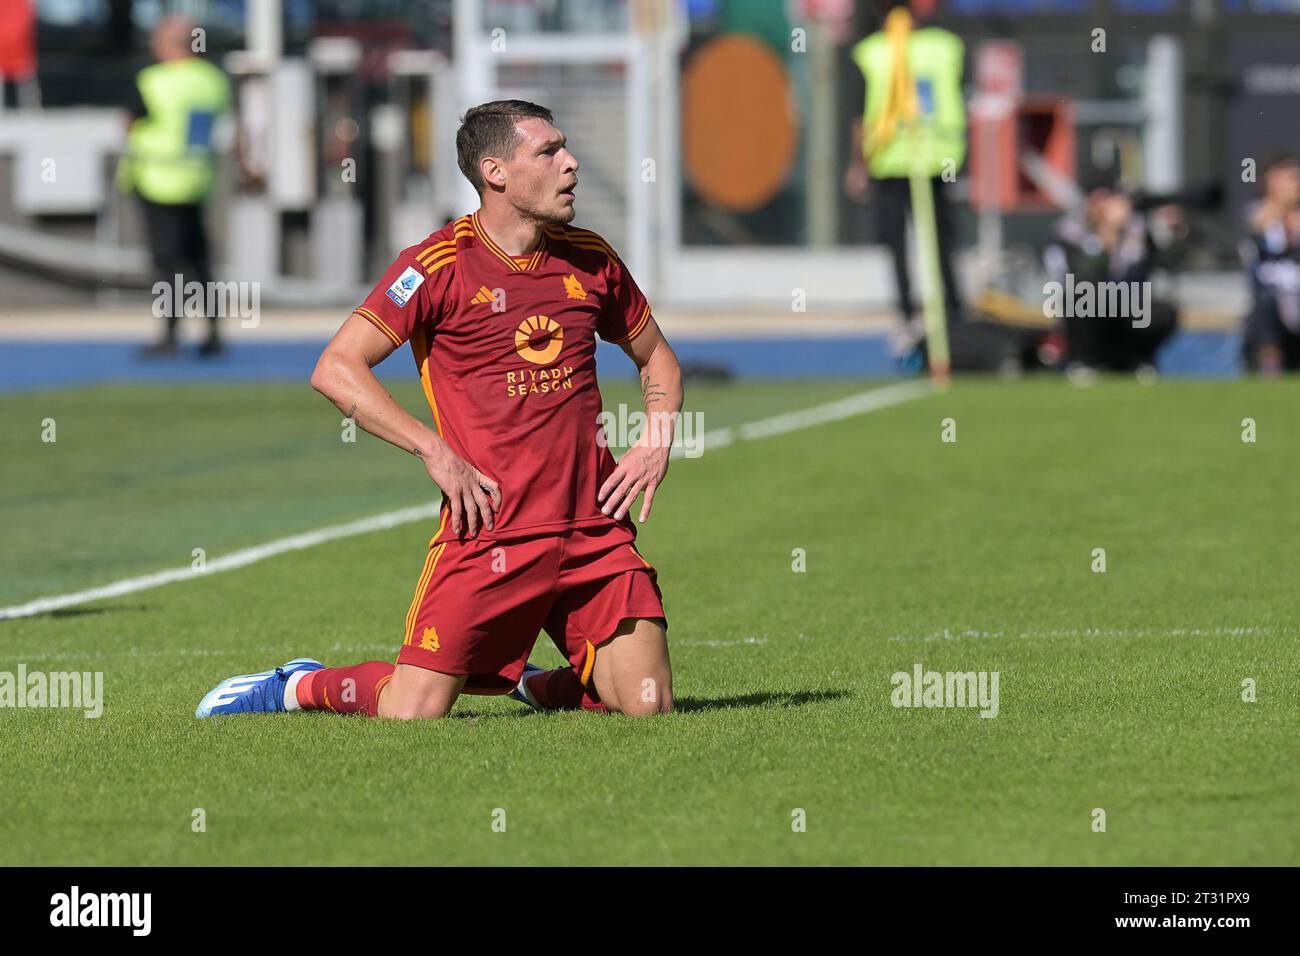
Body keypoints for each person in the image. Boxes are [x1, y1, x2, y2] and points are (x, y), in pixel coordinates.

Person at [196, 101, 681, 720]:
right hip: (491, 529)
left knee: (650, 707)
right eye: (549, 151)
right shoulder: (437, 265)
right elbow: (337, 367)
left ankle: (535, 685)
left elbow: (658, 359)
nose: (572, 164)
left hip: (592, 528)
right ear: (495, 171)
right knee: (413, 712)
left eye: (565, 148)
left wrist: (656, 438)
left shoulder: (592, 258)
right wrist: (434, 450)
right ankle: (296, 685)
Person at [845, 0, 966, 353]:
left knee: (898, 242)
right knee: (941, 241)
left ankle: (909, 317)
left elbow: (861, 118)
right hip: (938, 157)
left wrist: (859, 163)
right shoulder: (946, 46)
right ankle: (953, 314)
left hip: (892, 159)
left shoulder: (870, 52)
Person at [120, 15, 230, 358]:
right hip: (196, 179)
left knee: (167, 262)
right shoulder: (214, 80)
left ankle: (170, 335)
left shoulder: (155, 80)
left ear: (170, 44)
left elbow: (129, 121)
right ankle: (213, 332)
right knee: (199, 258)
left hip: (158, 179)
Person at [1041, 179, 1183, 378]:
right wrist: (1106, 236)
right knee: (1085, 295)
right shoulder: (1070, 230)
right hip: (1087, 308)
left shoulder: (1137, 230)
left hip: (1126, 305)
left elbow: (1156, 267)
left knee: (1161, 311)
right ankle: (1083, 362)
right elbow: (1082, 277)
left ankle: (1135, 360)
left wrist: (1172, 230)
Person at [1241, 153, 1300, 376]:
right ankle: (1270, 364)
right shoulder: (1257, 213)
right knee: (1266, 303)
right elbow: (1256, 231)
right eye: (1289, 178)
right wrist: (1280, 205)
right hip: (1272, 300)